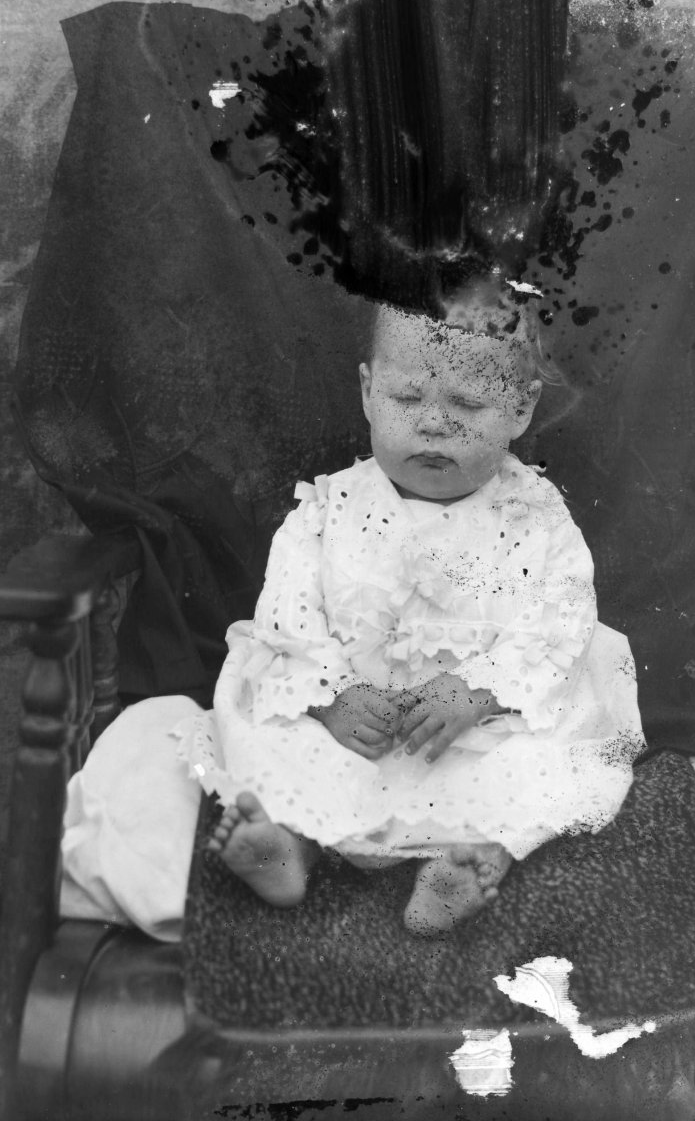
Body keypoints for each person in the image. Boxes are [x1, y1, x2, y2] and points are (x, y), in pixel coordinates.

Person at [60, 279, 644, 940]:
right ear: (368, 391)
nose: (433, 422)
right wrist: (331, 696)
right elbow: (289, 619)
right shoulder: (329, 509)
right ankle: (289, 848)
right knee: (273, 733)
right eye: (407, 397)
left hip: (476, 734)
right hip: (351, 729)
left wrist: (480, 690)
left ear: (520, 408)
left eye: (467, 403)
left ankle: (471, 862)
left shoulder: (535, 517)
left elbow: (558, 621)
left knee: (544, 761)